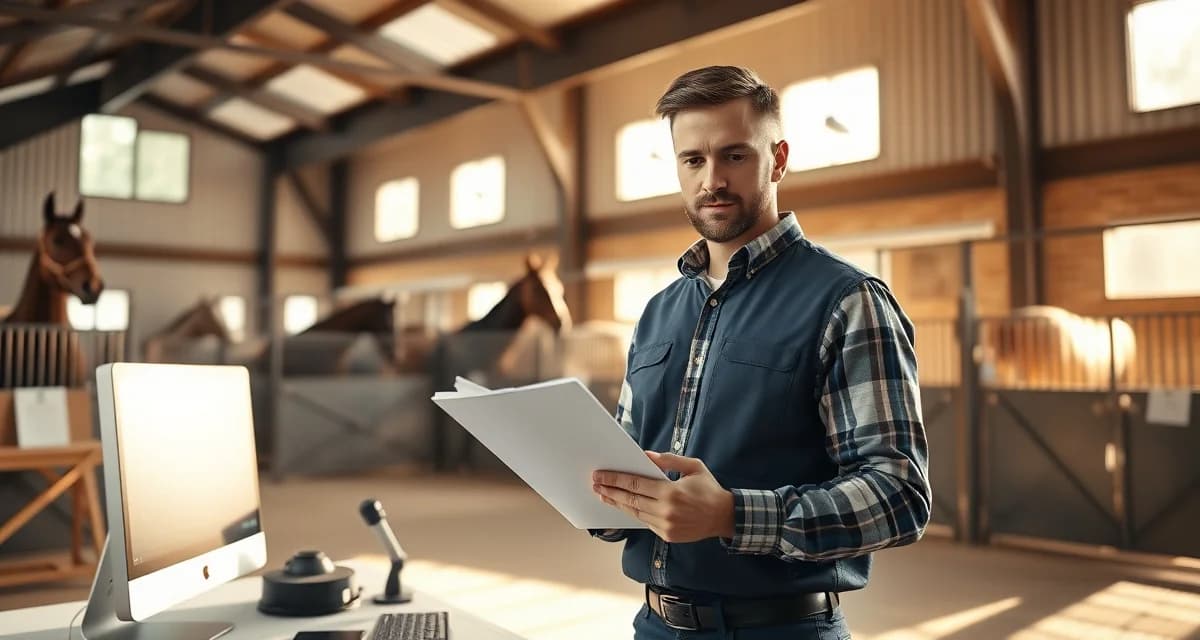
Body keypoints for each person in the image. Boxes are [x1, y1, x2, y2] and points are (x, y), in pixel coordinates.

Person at [590, 65, 931, 639]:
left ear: (777, 159)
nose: (712, 180)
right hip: (653, 626)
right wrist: (592, 489)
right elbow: (631, 462)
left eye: (735, 156)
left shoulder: (848, 301)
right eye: (693, 160)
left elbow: (898, 493)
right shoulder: (657, 312)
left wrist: (731, 515)